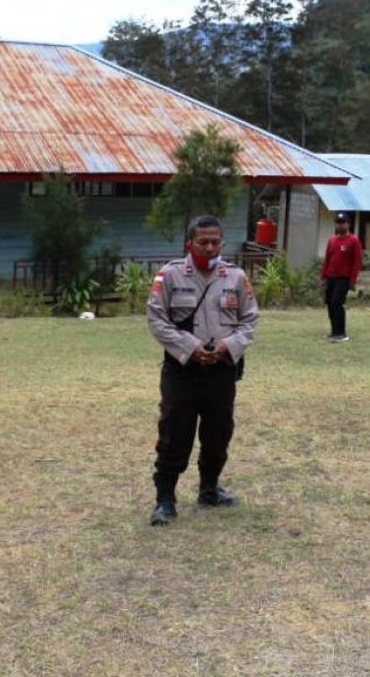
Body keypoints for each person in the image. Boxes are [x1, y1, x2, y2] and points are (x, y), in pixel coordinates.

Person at [145, 215, 260, 526]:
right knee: (174, 434)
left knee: (218, 433)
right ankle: (165, 500)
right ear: (189, 244)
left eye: (215, 242)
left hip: (221, 371)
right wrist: (190, 347)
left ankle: (209, 489)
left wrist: (227, 346)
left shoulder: (235, 278)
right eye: (203, 242)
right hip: (182, 371)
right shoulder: (169, 276)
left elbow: (249, 321)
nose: (210, 247)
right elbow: (157, 320)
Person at [320, 211, 363, 342]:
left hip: (343, 278)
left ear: (348, 224)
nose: (340, 225)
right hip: (331, 277)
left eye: (342, 223)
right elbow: (327, 259)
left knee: (337, 302)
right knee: (329, 303)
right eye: (338, 223)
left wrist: (352, 280)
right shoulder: (332, 240)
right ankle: (334, 331)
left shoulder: (353, 240)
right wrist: (323, 278)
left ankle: (341, 333)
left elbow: (357, 262)